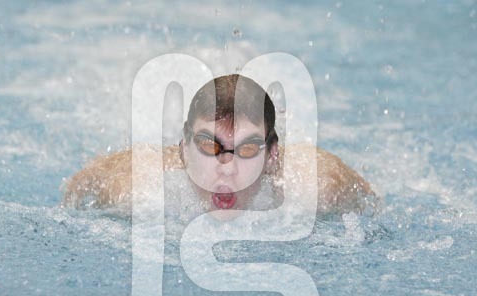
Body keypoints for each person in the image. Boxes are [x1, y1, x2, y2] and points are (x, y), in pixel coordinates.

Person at [62, 74, 375, 218]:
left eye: (248, 149)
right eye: (210, 147)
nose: (227, 169)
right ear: (183, 149)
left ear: (272, 155)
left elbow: (373, 205)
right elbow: (75, 190)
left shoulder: (316, 185)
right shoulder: (134, 189)